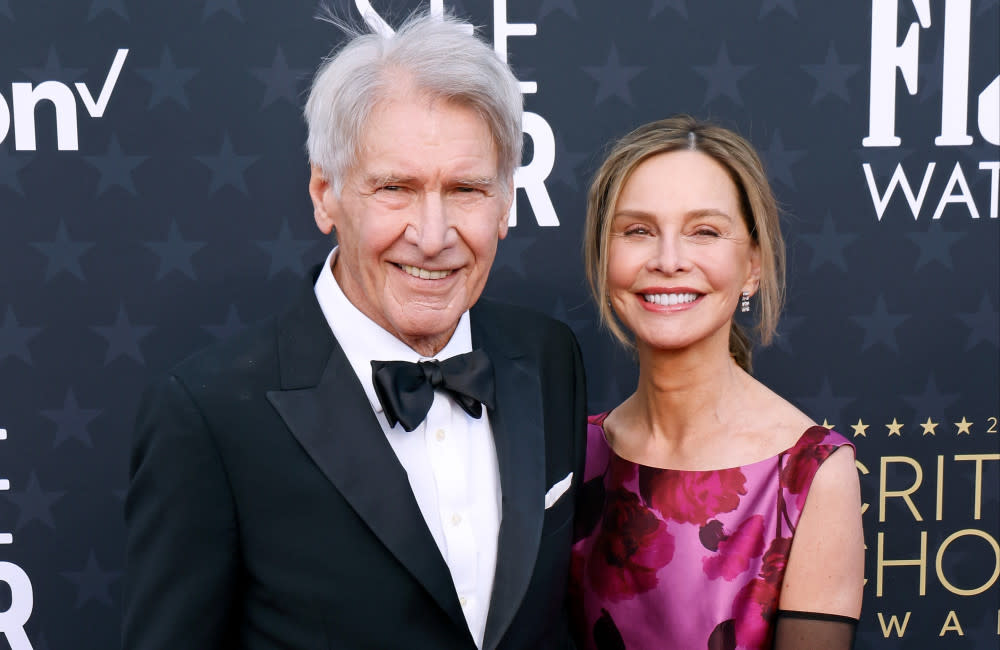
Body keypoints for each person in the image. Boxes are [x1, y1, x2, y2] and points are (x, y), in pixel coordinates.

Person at [123, 13, 586, 650]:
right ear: (325, 194)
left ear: (507, 200)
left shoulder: (549, 358)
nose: (432, 234)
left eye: (467, 189)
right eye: (395, 188)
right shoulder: (208, 416)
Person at [569, 116, 864, 649]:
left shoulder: (809, 474)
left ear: (752, 264)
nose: (668, 260)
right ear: (603, 256)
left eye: (704, 231)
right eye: (637, 230)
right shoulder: (572, 451)